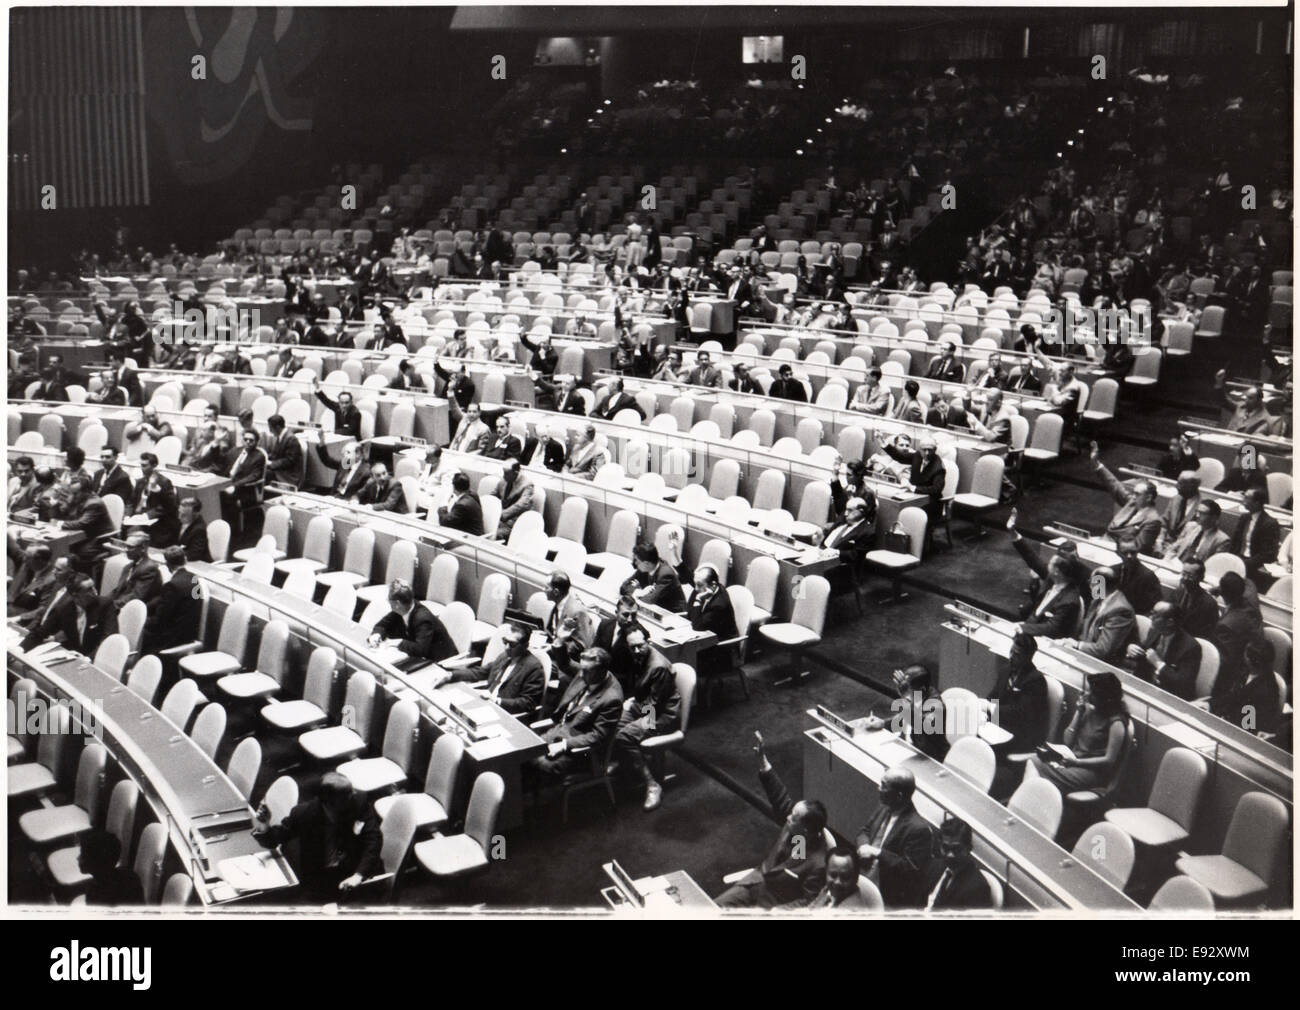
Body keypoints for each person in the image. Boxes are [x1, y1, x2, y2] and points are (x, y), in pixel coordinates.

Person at [716, 732, 829, 908]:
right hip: (754, 882)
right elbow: (779, 796)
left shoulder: (818, 865)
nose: (787, 817)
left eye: (793, 818)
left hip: (772, 904)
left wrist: (777, 912)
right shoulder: (798, 833)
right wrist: (762, 760)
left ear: (805, 830)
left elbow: (809, 901)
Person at [253, 772, 383, 902]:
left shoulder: (359, 803)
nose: (354, 794)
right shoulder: (303, 813)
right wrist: (264, 826)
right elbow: (274, 839)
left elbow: (373, 840)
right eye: (347, 794)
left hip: (353, 872)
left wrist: (358, 875)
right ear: (330, 801)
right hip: (319, 879)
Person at [528, 647, 624, 782]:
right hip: (557, 732)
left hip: (579, 751)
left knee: (535, 765)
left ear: (601, 671)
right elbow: (566, 663)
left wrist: (563, 745)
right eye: (581, 668)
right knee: (522, 753)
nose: (580, 674)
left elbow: (598, 737)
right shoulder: (586, 674)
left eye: (586, 671)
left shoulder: (611, 698)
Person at [611, 628, 681, 810]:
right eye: (632, 647)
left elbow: (654, 705)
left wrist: (633, 706)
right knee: (613, 724)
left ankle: (652, 784)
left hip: (659, 715)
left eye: (639, 646)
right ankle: (629, 766)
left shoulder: (658, 666)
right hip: (645, 706)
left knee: (625, 736)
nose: (635, 651)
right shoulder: (639, 657)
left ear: (648, 642)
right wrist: (633, 701)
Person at [1028, 671, 1130, 792]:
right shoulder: (1089, 710)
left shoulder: (1116, 723)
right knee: (1035, 760)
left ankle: (1028, 802)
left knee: (1036, 767)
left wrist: (1077, 763)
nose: (1088, 694)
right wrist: (1079, 712)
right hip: (1073, 761)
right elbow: (1067, 741)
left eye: (1092, 692)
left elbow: (1109, 760)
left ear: (1104, 698)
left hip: (1091, 771)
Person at [854, 767, 934, 909]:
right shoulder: (884, 807)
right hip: (864, 876)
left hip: (889, 896)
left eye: (884, 786)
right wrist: (863, 847)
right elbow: (865, 831)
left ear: (899, 795)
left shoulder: (919, 829)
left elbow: (910, 869)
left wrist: (877, 853)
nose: (878, 788)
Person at [435, 621, 544, 715]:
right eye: (505, 642)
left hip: (503, 712)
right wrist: (450, 675)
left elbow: (528, 703)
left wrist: (497, 701)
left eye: (512, 644)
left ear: (525, 645)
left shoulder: (534, 668)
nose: (506, 647)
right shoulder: (505, 656)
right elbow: (481, 672)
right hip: (485, 705)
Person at [989, 631, 1050, 799]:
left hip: (1021, 735)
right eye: (1011, 651)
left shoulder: (1036, 681)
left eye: (1016, 654)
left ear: (1028, 657)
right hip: (1000, 726)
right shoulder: (1005, 670)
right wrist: (986, 713)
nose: (1011, 656)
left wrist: (991, 710)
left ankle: (994, 790)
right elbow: (993, 696)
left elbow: (1021, 714)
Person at [862, 664, 948, 761]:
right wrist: (882, 723)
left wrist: (907, 696)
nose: (901, 691)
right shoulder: (918, 695)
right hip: (911, 749)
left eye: (907, 688)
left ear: (922, 689)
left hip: (931, 758)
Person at [1091, 443, 1162, 554]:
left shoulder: (1153, 520)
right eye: (1133, 493)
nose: (1133, 497)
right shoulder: (1133, 502)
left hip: (1118, 553)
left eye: (1137, 494)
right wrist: (1097, 464)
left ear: (1148, 497)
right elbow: (1114, 485)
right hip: (1103, 542)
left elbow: (1139, 547)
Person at [368, 579, 457, 666]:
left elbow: (420, 649)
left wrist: (398, 642)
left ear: (397, 604)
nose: (388, 601)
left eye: (389, 600)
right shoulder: (402, 609)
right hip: (424, 659)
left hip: (442, 663)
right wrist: (377, 634)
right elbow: (382, 625)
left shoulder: (423, 619)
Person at [1206, 638, 1283, 736]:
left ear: (1248, 659)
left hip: (1236, 733)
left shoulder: (1267, 690)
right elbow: (1229, 696)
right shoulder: (1245, 672)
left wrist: (1222, 720)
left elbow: (1249, 725)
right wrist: (1210, 705)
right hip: (1223, 722)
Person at [1126, 602, 1201, 700]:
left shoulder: (1191, 647)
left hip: (1170, 696)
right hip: (1147, 686)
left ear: (1169, 622)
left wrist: (1158, 663)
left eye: (1155, 615)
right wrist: (1131, 648)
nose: (1150, 617)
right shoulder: (1155, 630)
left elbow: (1182, 683)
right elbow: (1143, 649)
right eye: (1152, 613)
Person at [1210, 572, 1264, 704]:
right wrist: (1219, 588)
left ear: (1224, 594)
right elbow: (1247, 581)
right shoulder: (1250, 595)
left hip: (1240, 672)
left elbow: (1225, 662)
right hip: (1257, 657)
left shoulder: (1227, 626)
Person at [1062, 567, 1135, 663]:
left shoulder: (1121, 610)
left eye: (1091, 582)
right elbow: (1085, 633)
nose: (1089, 586)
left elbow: (1104, 650)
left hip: (1104, 664)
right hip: (1084, 655)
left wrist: (1077, 645)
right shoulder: (1097, 600)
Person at [923, 818, 993, 911]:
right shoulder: (935, 866)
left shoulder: (978, 887)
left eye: (956, 849)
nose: (950, 855)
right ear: (940, 845)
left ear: (969, 849)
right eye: (946, 848)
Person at [685, 565, 738, 687]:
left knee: (684, 657)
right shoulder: (705, 589)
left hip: (721, 650)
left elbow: (697, 625)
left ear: (713, 585)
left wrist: (698, 600)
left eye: (699, 585)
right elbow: (690, 611)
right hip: (707, 637)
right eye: (695, 584)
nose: (696, 589)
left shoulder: (720, 604)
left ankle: (692, 695)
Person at [884, 434, 946, 538]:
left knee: (910, 513)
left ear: (935, 450)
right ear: (919, 449)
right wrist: (883, 443)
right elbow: (900, 457)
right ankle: (899, 538)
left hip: (931, 502)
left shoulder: (938, 467)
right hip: (914, 496)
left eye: (930, 450)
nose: (926, 453)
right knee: (894, 504)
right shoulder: (917, 455)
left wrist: (912, 488)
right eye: (924, 450)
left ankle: (915, 541)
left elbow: (936, 489)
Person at [140, 546, 201, 653]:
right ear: (185, 560)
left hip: (173, 637)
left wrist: (141, 620)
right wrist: (145, 606)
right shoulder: (194, 578)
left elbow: (160, 620)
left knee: (137, 630)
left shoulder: (172, 585)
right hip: (189, 632)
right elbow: (166, 600)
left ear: (167, 564)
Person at [76, 829, 143, 906]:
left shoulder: (94, 894)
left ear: (94, 864)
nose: (77, 858)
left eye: (82, 856)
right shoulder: (131, 876)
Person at [1230, 488, 1281, 580]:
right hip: (1239, 558)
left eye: (1247, 498)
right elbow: (1235, 542)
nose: (1243, 500)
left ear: (1257, 503)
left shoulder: (1270, 524)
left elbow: (1268, 554)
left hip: (1254, 563)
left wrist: (1244, 564)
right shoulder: (1244, 517)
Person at [131, 452, 179, 547]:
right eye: (141, 465)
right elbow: (132, 501)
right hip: (140, 517)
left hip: (159, 522)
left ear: (154, 465)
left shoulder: (164, 482)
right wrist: (129, 516)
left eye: (145, 466)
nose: (142, 468)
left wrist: (147, 516)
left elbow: (169, 506)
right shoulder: (140, 481)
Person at [222, 429, 268, 526]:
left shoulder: (259, 456)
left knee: (226, 497)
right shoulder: (235, 451)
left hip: (245, 489)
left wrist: (235, 486)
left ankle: (232, 528)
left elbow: (254, 476)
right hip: (228, 482)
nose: (248, 442)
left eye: (251, 440)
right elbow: (222, 462)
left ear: (256, 442)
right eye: (245, 439)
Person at [1163, 499, 1231, 563]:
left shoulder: (1222, 540)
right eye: (1197, 512)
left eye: (1202, 513)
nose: (1197, 515)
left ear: (1214, 518)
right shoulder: (1190, 526)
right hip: (1175, 563)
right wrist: (1166, 562)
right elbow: (1175, 548)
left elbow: (1214, 564)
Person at [109, 533, 164, 610]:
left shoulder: (150, 569)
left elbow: (136, 596)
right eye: (125, 546)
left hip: (135, 611)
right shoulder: (128, 567)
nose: (125, 550)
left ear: (143, 548)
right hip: (121, 605)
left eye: (130, 547)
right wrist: (104, 601)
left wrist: (111, 606)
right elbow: (117, 590)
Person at [628, 542, 685, 613]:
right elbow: (624, 587)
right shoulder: (644, 568)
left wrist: (637, 594)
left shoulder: (666, 575)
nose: (635, 563)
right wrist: (639, 592)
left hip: (673, 615)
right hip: (656, 609)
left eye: (636, 561)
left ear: (647, 563)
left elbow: (649, 600)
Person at [1113, 537, 1163, 616]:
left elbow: (1153, 608)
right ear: (1117, 553)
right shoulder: (1111, 571)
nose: (1129, 556)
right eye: (1125, 553)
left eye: (1133, 552)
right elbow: (1096, 597)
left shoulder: (1148, 576)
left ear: (1138, 551)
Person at [1157, 472, 1203, 547]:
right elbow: (1164, 522)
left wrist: (1173, 547)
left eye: (1181, 484)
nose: (1176, 486)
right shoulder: (1176, 499)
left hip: (1182, 548)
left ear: (1192, 486)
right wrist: (1159, 540)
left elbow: (1194, 536)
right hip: (1164, 543)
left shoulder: (1202, 506)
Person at [1174, 558, 1220, 632]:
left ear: (1201, 578)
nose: (1185, 578)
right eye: (1184, 574)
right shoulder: (1178, 592)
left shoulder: (1209, 604)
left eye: (1190, 576)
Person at [493, 460, 534, 540]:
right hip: (498, 519)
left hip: (513, 523)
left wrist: (500, 515)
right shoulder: (504, 480)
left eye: (507, 473)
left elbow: (521, 505)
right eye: (503, 472)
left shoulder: (527, 485)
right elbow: (493, 496)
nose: (504, 476)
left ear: (515, 472)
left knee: (494, 534)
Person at [9, 543, 56, 612]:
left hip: (22, 615)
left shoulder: (50, 580)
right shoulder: (28, 565)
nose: (24, 559)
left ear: (40, 560)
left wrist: (18, 618)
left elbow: (42, 609)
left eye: (27, 557)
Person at [264, 414, 305, 490]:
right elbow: (275, 455)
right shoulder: (281, 437)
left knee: (264, 474)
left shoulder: (291, 439)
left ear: (278, 427)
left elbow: (289, 460)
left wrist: (271, 464)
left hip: (289, 475)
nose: (270, 431)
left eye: (270, 428)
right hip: (282, 470)